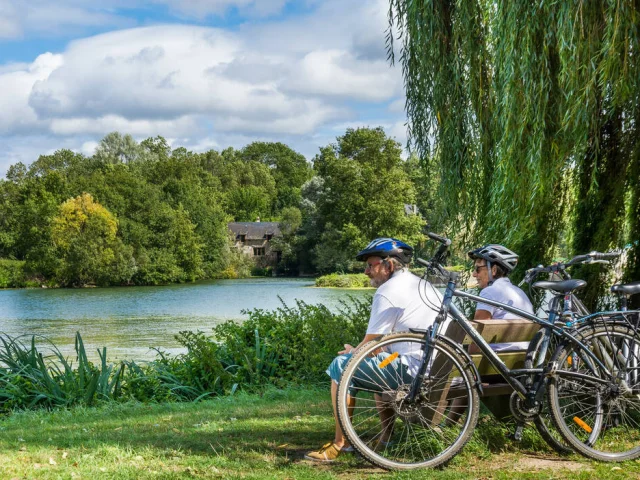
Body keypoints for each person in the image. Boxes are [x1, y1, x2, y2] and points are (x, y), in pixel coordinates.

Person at [304, 238, 442, 462]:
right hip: (432, 366)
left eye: (371, 265)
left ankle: (341, 443)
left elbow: (369, 345)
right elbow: (376, 347)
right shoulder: (423, 284)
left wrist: (352, 352)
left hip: (411, 370)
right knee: (381, 359)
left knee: (342, 366)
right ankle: (386, 438)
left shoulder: (388, 290)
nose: (366, 271)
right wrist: (361, 350)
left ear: (389, 265)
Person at [468, 244, 534, 351]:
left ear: (493, 270)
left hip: (493, 364)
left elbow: (477, 339)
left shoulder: (489, 292)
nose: (474, 274)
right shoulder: (521, 293)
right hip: (523, 361)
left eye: (477, 268)